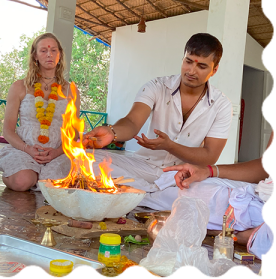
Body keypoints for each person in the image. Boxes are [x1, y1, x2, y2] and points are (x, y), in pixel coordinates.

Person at [83, 33, 232, 209]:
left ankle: (136, 194)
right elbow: (132, 121)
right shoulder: (157, 86)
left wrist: (169, 146)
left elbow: (210, 156)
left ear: (214, 70)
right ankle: (152, 195)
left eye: (201, 66)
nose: (191, 71)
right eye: (188, 61)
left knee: (223, 195)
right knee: (86, 159)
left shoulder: (222, 105)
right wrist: (112, 132)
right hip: (144, 166)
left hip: (183, 175)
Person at [163, 130, 274, 260]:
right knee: (192, 187)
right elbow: (263, 167)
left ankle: (244, 235)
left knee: (193, 209)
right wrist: (208, 171)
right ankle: (247, 233)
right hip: (264, 195)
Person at [0, 33, 80, 192]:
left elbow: (74, 133)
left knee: (52, 186)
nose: (49, 54)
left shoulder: (71, 90)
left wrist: (56, 152)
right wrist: (27, 148)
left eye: (54, 50)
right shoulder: (19, 87)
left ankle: (38, 176)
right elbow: (7, 130)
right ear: (35, 55)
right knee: (22, 181)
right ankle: (16, 172)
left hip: (58, 153)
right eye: (43, 50)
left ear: (59, 54)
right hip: (24, 150)